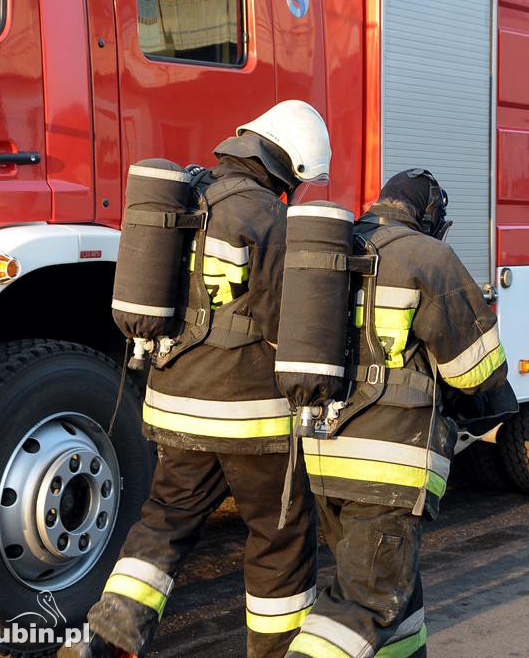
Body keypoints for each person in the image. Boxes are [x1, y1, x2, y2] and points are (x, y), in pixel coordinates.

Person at [62, 100, 331, 658]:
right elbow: (289, 321)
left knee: (165, 521)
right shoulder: (267, 218)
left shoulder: (186, 196)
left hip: (172, 405)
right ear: (288, 166)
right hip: (250, 418)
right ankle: (278, 652)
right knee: (279, 537)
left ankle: (109, 636)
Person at [286, 169, 510, 658]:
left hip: (324, 457)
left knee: (398, 594)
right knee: (368, 602)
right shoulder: (428, 257)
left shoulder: (335, 247)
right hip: (389, 465)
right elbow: (476, 373)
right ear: (429, 216)